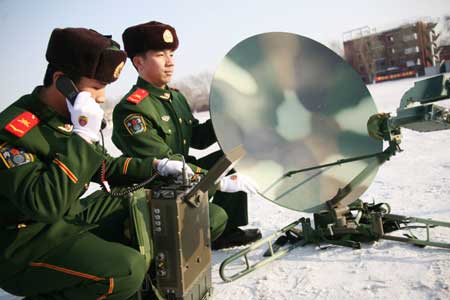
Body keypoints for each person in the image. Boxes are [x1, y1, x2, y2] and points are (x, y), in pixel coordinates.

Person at [0, 27, 190, 300]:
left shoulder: (62, 118)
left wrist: (157, 167)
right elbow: (45, 203)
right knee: (126, 270)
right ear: (62, 81)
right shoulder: (12, 131)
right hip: (23, 246)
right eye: (96, 88)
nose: (101, 98)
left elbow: (105, 167)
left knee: (140, 200)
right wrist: (83, 137)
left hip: (67, 219)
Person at [112, 21, 262, 250]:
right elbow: (165, 167)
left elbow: (199, 139)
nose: (170, 62)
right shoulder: (132, 109)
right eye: (161, 55)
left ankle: (227, 233)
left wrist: (229, 117)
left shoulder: (175, 98)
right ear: (139, 62)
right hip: (157, 191)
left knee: (232, 157)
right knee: (214, 216)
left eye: (171, 54)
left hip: (185, 176)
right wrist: (218, 181)